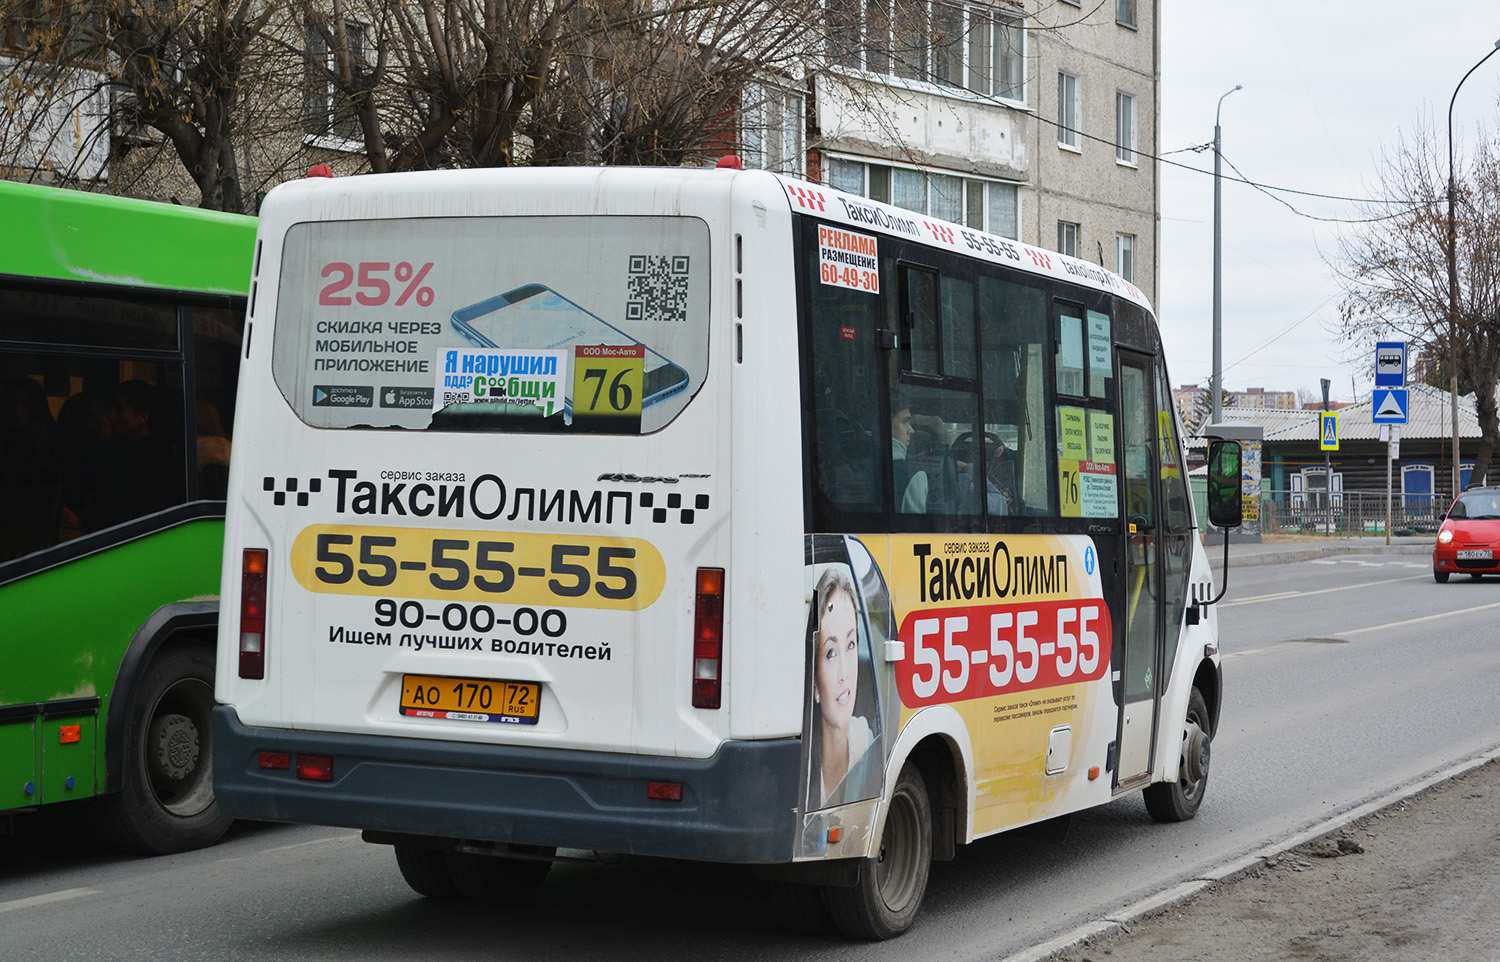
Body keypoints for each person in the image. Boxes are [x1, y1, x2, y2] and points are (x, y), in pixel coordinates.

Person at [809, 566, 874, 808]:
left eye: (851, 644)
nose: (845, 673)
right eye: (831, 653)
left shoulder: (866, 744)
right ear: (815, 683)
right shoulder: (801, 774)